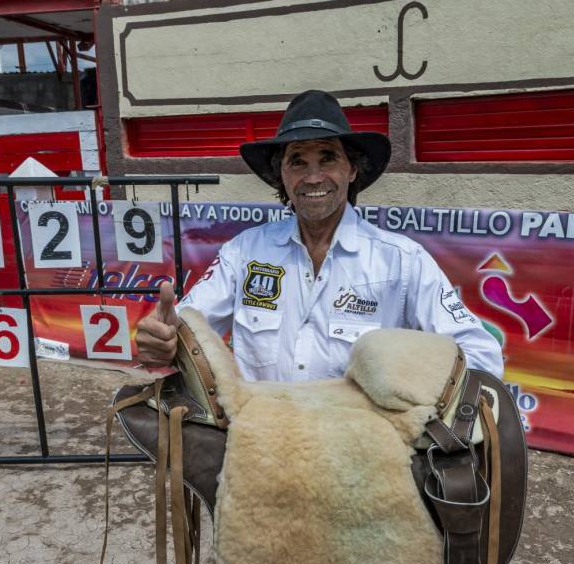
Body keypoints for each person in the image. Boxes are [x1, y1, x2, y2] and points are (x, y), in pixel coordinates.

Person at [135, 90, 502, 381]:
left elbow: (480, 354)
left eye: (327, 157)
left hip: (360, 453)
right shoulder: (245, 253)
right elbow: (184, 326)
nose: (313, 177)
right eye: (298, 160)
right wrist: (163, 338)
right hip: (261, 444)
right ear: (283, 175)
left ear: (352, 169)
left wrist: (407, 393)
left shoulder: (401, 261)